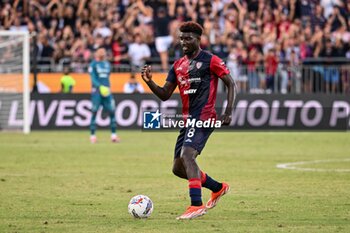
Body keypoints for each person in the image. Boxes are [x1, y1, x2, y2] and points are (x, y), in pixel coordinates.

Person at [141, 21, 236, 220]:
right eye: (181, 38)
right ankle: (217, 188)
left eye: (188, 38)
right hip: (187, 120)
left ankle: (196, 205)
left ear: (198, 39)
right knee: (178, 168)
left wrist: (228, 112)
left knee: (188, 156)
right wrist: (150, 82)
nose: (183, 42)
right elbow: (165, 94)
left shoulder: (211, 60)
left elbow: (230, 83)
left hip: (204, 116)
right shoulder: (178, 65)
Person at [89, 47, 120, 143]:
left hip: (107, 92)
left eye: (103, 52)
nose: (102, 53)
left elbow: (107, 77)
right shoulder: (93, 64)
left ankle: (113, 136)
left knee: (112, 111)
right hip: (97, 92)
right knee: (94, 111)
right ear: (97, 54)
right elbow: (93, 78)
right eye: (100, 52)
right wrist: (99, 86)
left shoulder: (107, 64)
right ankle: (93, 136)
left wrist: (106, 87)